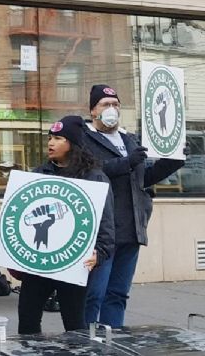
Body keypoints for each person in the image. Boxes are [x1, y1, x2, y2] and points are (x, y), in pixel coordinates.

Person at [83, 84, 184, 328]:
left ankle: (113, 340)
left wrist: (173, 161)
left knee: (117, 294)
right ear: (93, 110)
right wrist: (126, 162)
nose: (112, 109)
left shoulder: (129, 139)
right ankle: (85, 342)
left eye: (116, 104)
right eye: (106, 105)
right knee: (94, 294)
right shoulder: (85, 139)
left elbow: (143, 178)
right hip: (103, 231)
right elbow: (90, 172)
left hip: (131, 228)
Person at [18, 116, 115, 334]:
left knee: (74, 327)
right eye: (50, 137)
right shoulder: (38, 175)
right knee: (27, 321)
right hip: (38, 265)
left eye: (59, 138)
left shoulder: (94, 178)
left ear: (74, 143)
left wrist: (98, 254)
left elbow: (107, 229)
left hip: (73, 264)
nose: (51, 143)